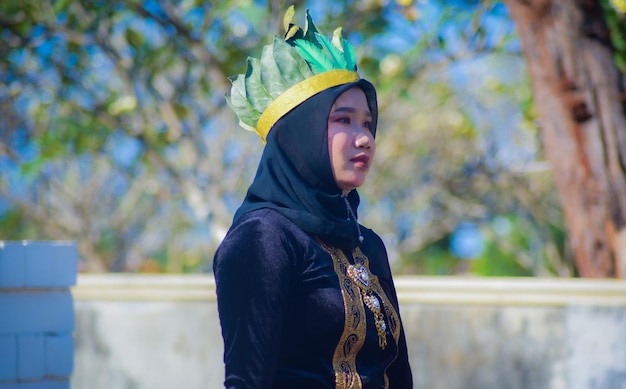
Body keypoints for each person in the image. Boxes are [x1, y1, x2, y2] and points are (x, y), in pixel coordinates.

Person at [213, 7, 413, 389]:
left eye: (368, 123)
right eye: (343, 119)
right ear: (298, 132)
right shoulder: (263, 238)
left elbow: (398, 376)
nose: (364, 138)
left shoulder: (368, 244)